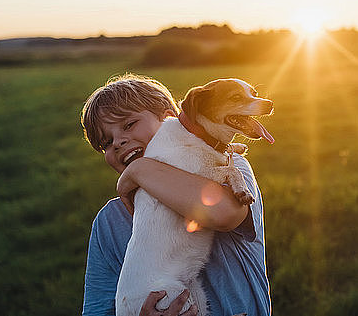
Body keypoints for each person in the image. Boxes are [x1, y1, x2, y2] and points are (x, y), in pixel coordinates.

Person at [80, 74, 271, 316]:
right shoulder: (109, 221)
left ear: (171, 118)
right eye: (106, 142)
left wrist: (140, 169)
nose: (118, 142)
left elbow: (223, 214)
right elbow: (98, 309)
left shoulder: (231, 167)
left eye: (129, 125)